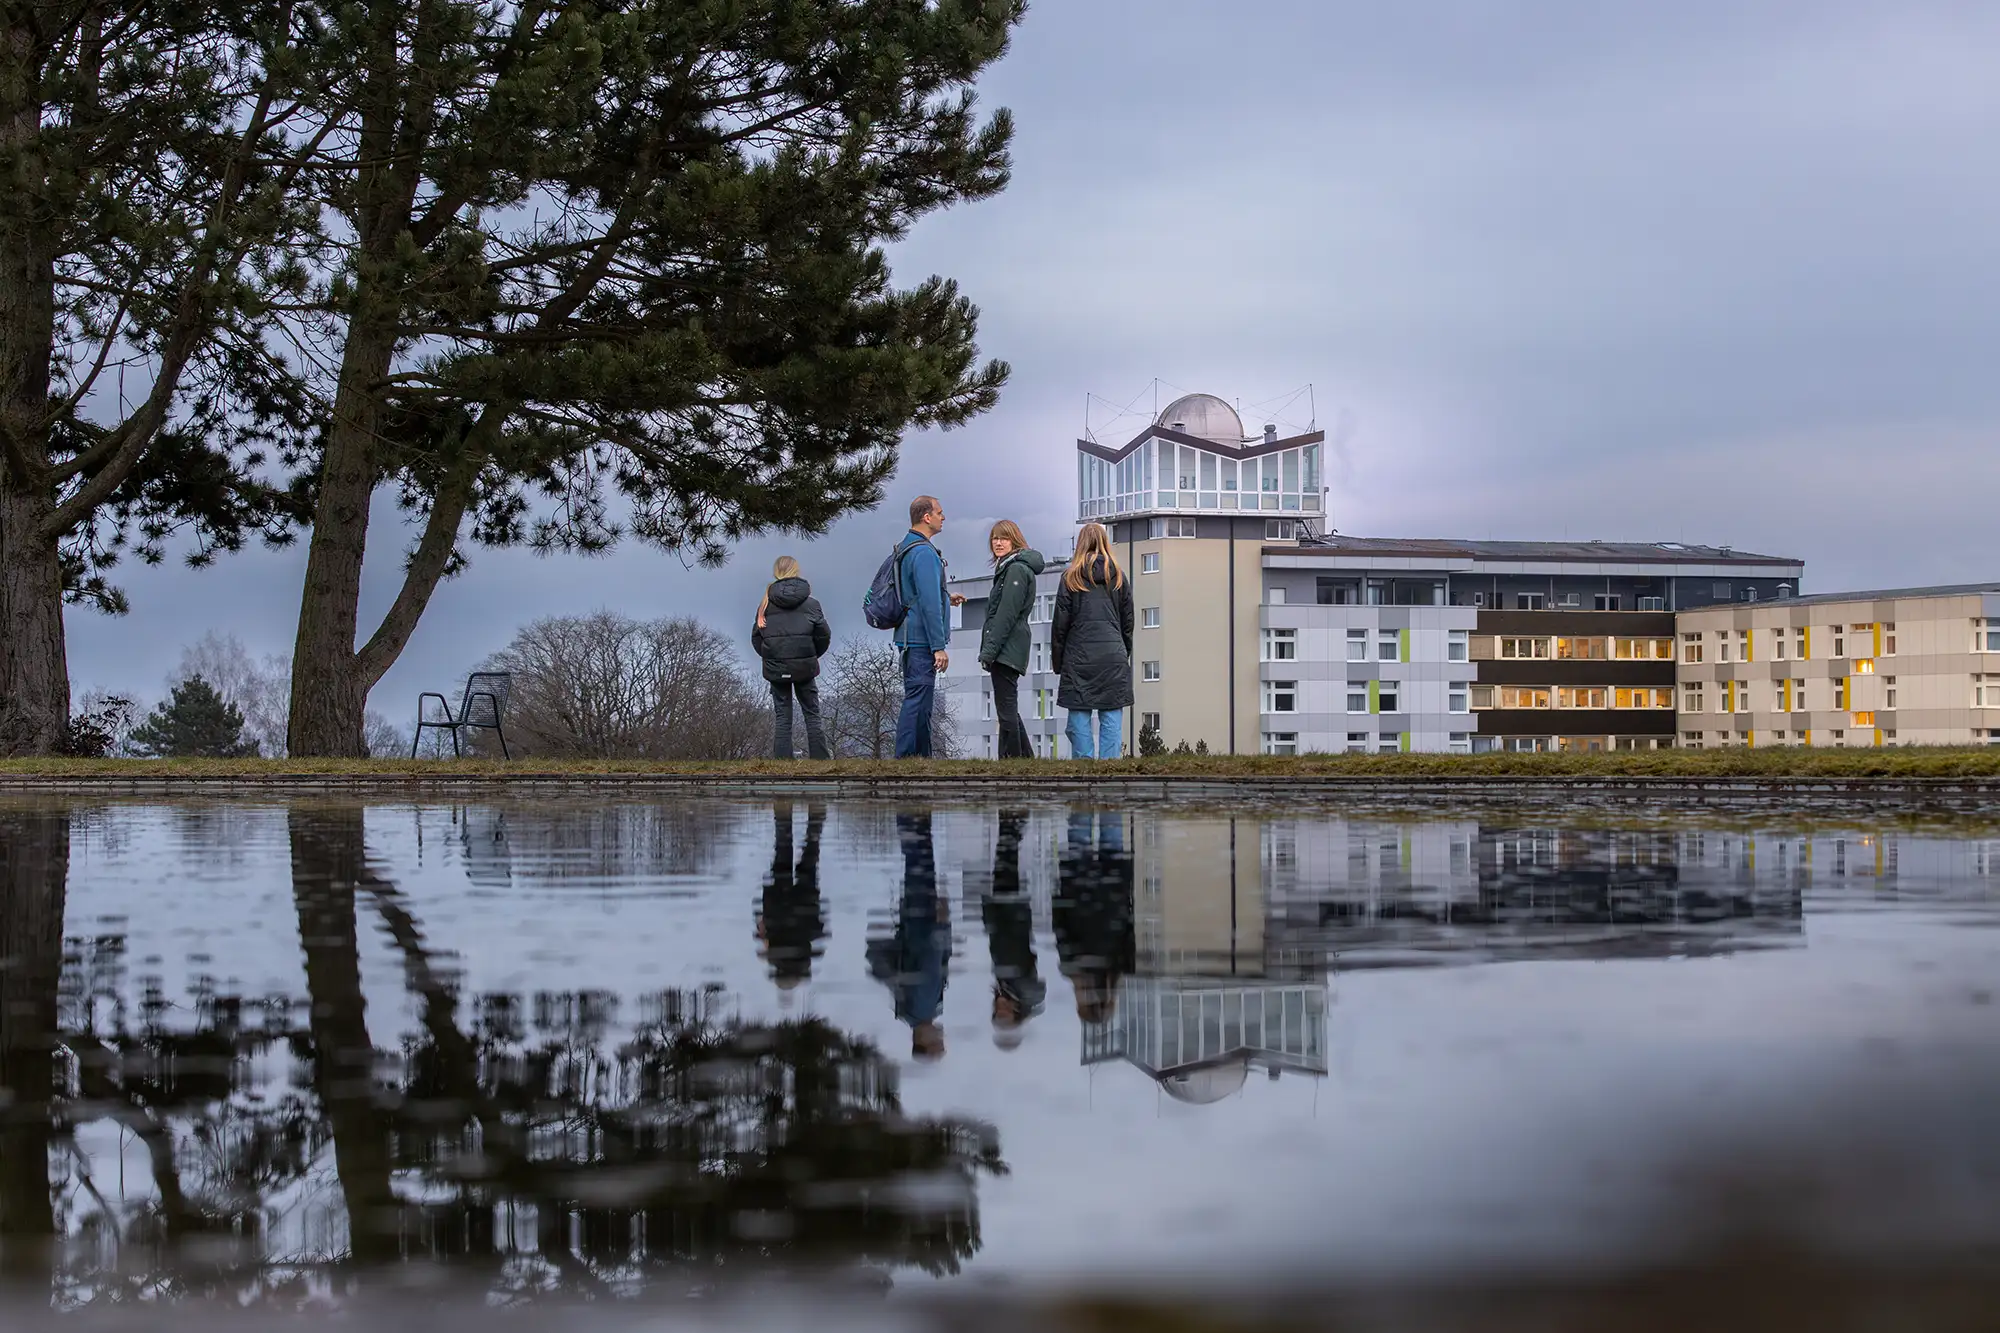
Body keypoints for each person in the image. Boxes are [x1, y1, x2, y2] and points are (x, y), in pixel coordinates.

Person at [865, 811, 952, 1060]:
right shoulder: (907, 1009)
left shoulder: (924, 1007)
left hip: (924, 923)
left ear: (923, 1041)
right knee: (917, 862)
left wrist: (942, 925)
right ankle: (914, 814)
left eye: (938, 1044)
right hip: (911, 924)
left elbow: (932, 962)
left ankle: (910, 813)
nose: (942, 1038)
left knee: (919, 860)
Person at [1051, 521, 1134, 760]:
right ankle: (1110, 766)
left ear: (1080, 544)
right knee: (1111, 713)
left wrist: (1059, 662)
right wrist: (1123, 652)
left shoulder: (1070, 578)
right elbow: (1128, 622)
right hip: (1113, 655)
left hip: (1078, 656)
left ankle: (1083, 764)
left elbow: (1060, 626)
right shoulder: (1118, 577)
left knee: (1079, 712)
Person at [890, 496, 964, 759]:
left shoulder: (907, 547)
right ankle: (905, 758)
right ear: (926, 517)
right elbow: (928, 602)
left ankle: (921, 758)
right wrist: (938, 646)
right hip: (921, 639)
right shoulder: (923, 552)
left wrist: (946, 597)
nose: (943, 517)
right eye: (939, 512)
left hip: (909, 635)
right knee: (917, 700)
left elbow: (918, 593)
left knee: (921, 702)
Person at [1052, 808, 1135, 1027]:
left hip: (1093, 888)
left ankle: (1090, 795)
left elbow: (1061, 928)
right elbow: (1129, 929)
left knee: (1093, 828)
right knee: (1105, 827)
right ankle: (1101, 793)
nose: (1095, 997)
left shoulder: (1078, 970)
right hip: (1100, 887)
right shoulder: (1118, 970)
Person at [751, 555, 831, 759]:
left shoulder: (764, 606)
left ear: (776, 572)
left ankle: (782, 760)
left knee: (782, 716)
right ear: (796, 571)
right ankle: (820, 759)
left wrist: (773, 657)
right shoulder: (812, 604)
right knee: (812, 713)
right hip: (804, 666)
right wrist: (810, 655)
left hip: (777, 667)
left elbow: (757, 638)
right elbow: (823, 635)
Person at [976, 520, 1043, 759]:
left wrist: (989, 651)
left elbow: (1006, 614)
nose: (998, 543)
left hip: (1007, 647)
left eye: (1004, 538)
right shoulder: (1010, 568)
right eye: (995, 538)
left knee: (1006, 711)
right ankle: (1024, 759)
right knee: (1008, 709)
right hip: (1009, 646)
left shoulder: (1015, 570)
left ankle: (1011, 760)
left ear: (1014, 540)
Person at [984, 809, 1046, 1049]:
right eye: (1005, 1015)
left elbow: (997, 945)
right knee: (1005, 865)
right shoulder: (1021, 989)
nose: (1000, 1010)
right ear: (1016, 1012)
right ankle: (1012, 823)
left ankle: (1010, 823)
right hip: (1011, 915)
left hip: (1002, 916)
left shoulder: (1005, 987)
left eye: (997, 1014)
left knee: (1003, 865)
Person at [755, 801, 826, 991]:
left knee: (810, 855)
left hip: (804, 906)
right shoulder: (773, 954)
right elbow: (762, 928)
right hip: (778, 904)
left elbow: (818, 928)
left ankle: (815, 812)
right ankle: (783, 812)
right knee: (783, 852)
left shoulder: (805, 957)